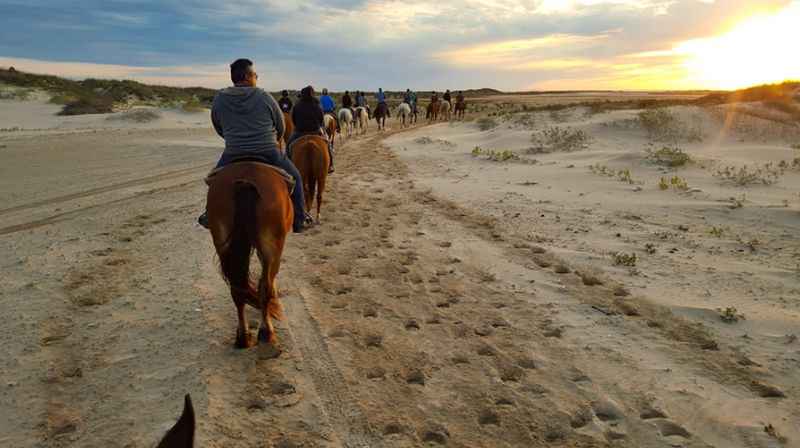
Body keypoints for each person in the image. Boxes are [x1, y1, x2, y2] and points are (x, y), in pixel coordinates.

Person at [198, 58, 311, 233]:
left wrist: (233, 139)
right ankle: (300, 219)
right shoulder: (264, 96)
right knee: (295, 176)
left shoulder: (220, 98)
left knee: (213, 182)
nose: (257, 77)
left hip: (233, 152)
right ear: (247, 76)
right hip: (267, 151)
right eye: (255, 74)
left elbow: (217, 124)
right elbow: (281, 124)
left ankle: (208, 214)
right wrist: (276, 139)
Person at [288, 86, 335, 174]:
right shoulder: (317, 105)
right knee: (328, 145)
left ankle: (288, 167)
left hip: (299, 132)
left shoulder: (297, 106)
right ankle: (331, 164)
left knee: (288, 146)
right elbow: (321, 120)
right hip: (315, 131)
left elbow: (293, 120)